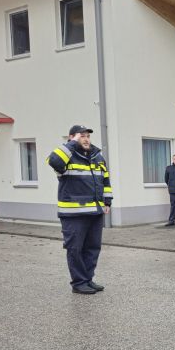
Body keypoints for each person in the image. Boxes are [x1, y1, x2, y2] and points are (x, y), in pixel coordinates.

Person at [46, 125, 112, 294]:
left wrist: (107, 201)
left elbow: (105, 180)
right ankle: (79, 282)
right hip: (73, 213)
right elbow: (54, 161)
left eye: (88, 136)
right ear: (72, 137)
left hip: (95, 211)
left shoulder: (97, 157)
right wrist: (72, 144)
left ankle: (88, 279)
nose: (86, 139)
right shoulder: (67, 157)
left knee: (93, 248)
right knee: (75, 249)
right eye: (82, 136)